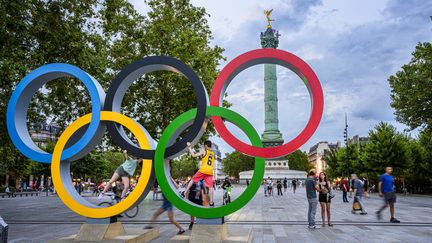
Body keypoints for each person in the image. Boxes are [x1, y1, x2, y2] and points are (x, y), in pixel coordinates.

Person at [184, 141, 215, 206]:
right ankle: (211, 202)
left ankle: (185, 192)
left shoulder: (204, 151)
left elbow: (193, 155)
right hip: (210, 172)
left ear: (205, 146)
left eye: (204, 146)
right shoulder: (212, 154)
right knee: (211, 188)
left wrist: (189, 147)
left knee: (193, 180)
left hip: (203, 170)